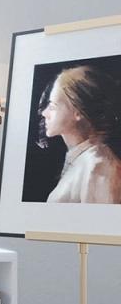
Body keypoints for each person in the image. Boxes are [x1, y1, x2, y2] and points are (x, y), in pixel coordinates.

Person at [40, 64, 121, 203]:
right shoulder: (83, 160)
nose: (44, 113)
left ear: (78, 112)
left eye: (52, 107)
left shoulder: (98, 168)